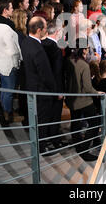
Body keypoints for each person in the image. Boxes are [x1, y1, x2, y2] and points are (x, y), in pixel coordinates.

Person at [20, 17, 58, 155]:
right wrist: (54, 91)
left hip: (31, 85)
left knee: (37, 118)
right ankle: (41, 148)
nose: (46, 31)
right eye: (44, 28)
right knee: (42, 120)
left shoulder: (25, 41)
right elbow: (46, 75)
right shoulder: (38, 50)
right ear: (38, 30)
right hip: (41, 90)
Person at [65, 42, 104, 162]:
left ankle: (78, 147)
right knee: (94, 123)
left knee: (75, 123)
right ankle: (84, 150)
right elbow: (87, 87)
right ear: (83, 50)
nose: (88, 50)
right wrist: (97, 93)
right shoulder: (84, 65)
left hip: (71, 99)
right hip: (83, 100)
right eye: (87, 48)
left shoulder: (67, 60)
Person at [0, 0, 24, 123]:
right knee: (9, 90)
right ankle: (8, 114)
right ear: (5, 10)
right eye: (11, 8)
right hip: (8, 63)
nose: (13, 10)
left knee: (5, 88)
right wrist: (20, 59)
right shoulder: (6, 28)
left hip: (0, 60)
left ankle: (6, 110)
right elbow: (12, 50)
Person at [41, 21, 67, 149]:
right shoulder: (55, 49)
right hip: (54, 90)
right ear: (56, 33)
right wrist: (59, 91)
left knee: (46, 116)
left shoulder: (42, 44)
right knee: (54, 116)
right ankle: (54, 140)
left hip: (44, 88)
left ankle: (48, 139)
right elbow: (57, 73)